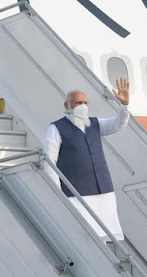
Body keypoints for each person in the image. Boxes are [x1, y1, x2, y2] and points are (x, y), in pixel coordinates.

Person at [44, 77, 130, 240]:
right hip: (75, 193)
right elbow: (49, 162)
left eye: (85, 102)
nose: (83, 106)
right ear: (67, 105)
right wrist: (58, 193)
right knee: (82, 236)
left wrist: (124, 105)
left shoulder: (95, 124)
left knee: (104, 234)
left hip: (102, 190)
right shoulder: (56, 128)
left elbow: (119, 124)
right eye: (78, 103)